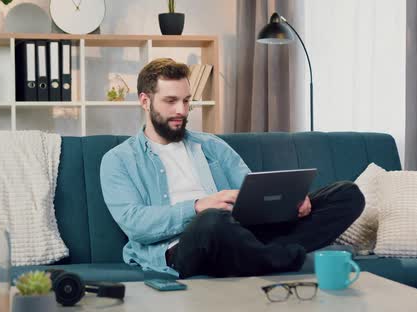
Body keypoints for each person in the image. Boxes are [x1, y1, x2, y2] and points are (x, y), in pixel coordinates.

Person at [100, 58, 364, 278]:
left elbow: (251, 191)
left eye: (186, 100)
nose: (182, 110)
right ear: (145, 101)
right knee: (213, 221)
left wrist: (290, 200)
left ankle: (259, 255)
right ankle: (276, 258)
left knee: (347, 194)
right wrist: (198, 206)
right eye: (170, 101)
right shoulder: (118, 160)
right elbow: (135, 225)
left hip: (242, 232)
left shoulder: (211, 145)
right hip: (184, 246)